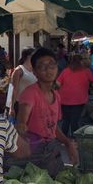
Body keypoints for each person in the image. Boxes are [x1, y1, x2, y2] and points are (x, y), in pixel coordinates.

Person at [16, 47, 79, 175]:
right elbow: (22, 120)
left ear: (57, 67)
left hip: (51, 149)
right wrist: (21, 126)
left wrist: (68, 143)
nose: (48, 70)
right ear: (34, 72)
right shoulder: (30, 94)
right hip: (34, 153)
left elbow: (53, 127)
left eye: (51, 65)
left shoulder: (56, 95)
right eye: (42, 66)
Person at [56, 54, 93, 136]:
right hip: (79, 100)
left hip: (64, 100)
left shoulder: (65, 71)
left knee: (66, 120)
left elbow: (57, 84)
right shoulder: (86, 71)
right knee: (74, 120)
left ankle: (63, 138)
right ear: (81, 62)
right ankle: (75, 138)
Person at [9, 47, 37, 116]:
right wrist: (11, 107)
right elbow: (14, 89)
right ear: (28, 56)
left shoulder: (35, 69)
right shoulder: (19, 70)